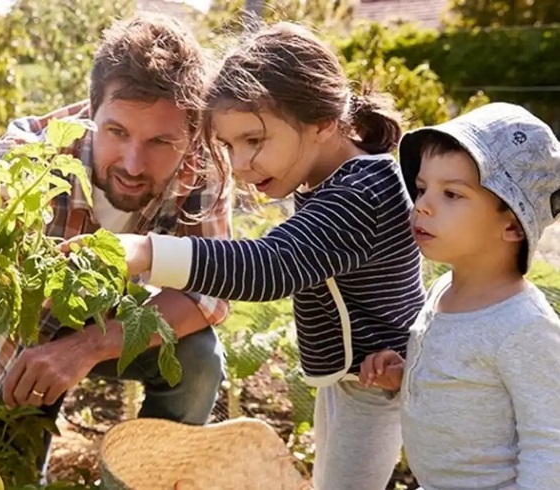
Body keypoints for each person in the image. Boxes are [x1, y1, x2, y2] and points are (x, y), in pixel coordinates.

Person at [0, 13, 231, 473]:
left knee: (198, 359)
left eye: (160, 142)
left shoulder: (203, 166)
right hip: (25, 337)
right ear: (91, 112)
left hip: (114, 320)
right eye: (117, 132)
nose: (133, 163)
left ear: (191, 134)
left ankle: (147, 478)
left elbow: (207, 293)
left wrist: (86, 347)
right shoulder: (33, 156)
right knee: (4, 469)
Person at [63, 22, 426, 490]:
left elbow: (270, 266)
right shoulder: (334, 181)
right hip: (357, 378)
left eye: (254, 141)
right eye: (229, 145)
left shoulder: (361, 193)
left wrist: (146, 251)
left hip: (381, 380)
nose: (238, 165)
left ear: (322, 122)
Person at [359, 102, 560, 489]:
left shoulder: (524, 327)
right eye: (422, 189)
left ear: (513, 225)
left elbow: (550, 443)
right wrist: (407, 375)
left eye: (452, 194)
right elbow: (469, 385)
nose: (422, 206)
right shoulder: (442, 292)